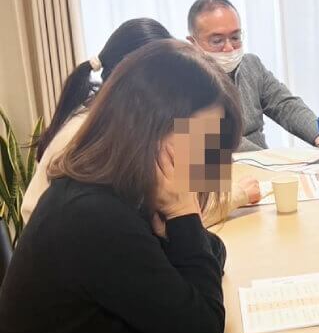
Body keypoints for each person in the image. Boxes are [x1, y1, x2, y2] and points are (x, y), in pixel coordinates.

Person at [0, 39, 277, 333]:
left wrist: (182, 222)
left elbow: (210, 253)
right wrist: (183, 213)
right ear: (152, 133)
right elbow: (202, 320)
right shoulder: (93, 216)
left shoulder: (123, 194)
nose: (211, 164)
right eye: (204, 144)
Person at [21, 18, 261, 225]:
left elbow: (200, 193)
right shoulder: (94, 135)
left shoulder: (129, 122)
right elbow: (178, 218)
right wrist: (236, 195)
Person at [186, 0, 319, 151]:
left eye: (235, 37)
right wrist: (273, 160)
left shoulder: (251, 65)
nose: (229, 47)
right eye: (217, 41)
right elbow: (217, 141)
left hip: (265, 161)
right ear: (193, 43)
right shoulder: (183, 84)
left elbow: (284, 105)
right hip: (221, 163)